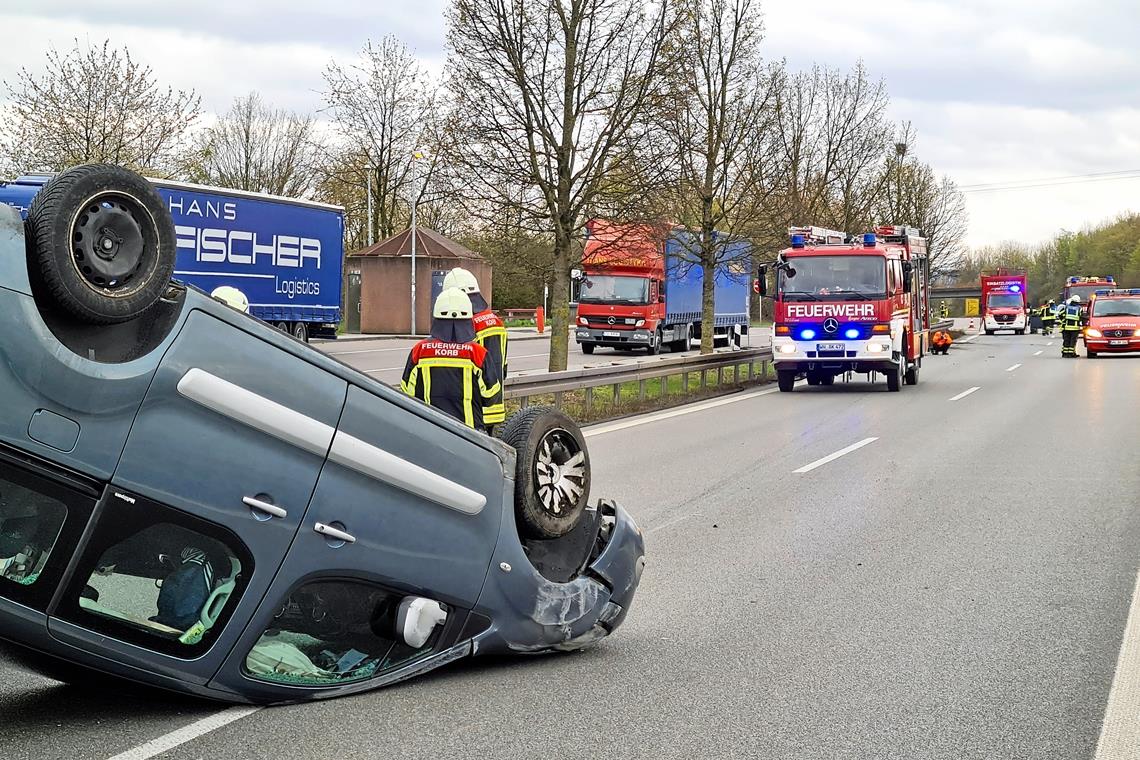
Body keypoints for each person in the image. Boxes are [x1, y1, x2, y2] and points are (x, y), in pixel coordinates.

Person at [401, 288, 500, 430]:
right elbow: (491, 394)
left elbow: (407, 393)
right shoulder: (478, 353)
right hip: (470, 432)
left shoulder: (420, 351)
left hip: (430, 430)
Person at [443, 267, 507, 432]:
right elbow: (503, 365)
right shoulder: (495, 321)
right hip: (495, 403)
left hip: (472, 407)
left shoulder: (465, 324)